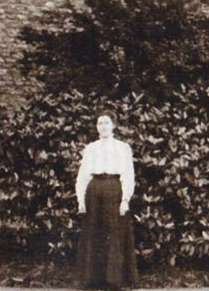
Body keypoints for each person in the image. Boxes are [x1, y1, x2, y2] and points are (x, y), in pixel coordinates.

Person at [74, 109, 138, 290]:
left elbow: (128, 173)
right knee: (93, 232)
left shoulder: (122, 147)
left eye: (106, 122)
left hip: (114, 188)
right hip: (94, 190)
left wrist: (125, 199)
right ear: (96, 127)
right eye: (100, 123)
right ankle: (92, 280)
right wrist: (81, 199)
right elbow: (83, 174)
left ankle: (114, 280)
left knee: (114, 232)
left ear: (114, 125)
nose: (103, 126)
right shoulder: (90, 148)